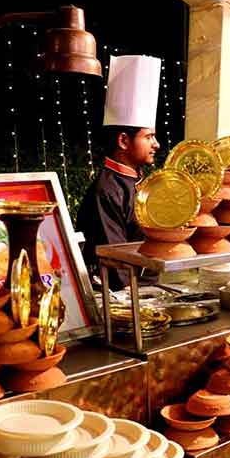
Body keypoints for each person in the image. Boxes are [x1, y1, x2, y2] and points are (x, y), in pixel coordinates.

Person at [77, 55, 161, 288]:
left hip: (148, 287)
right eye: (149, 137)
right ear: (124, 140)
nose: (156, 144)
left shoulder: (142, 181)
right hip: (121, 294)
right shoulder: (107, 191)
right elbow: (116, 263)